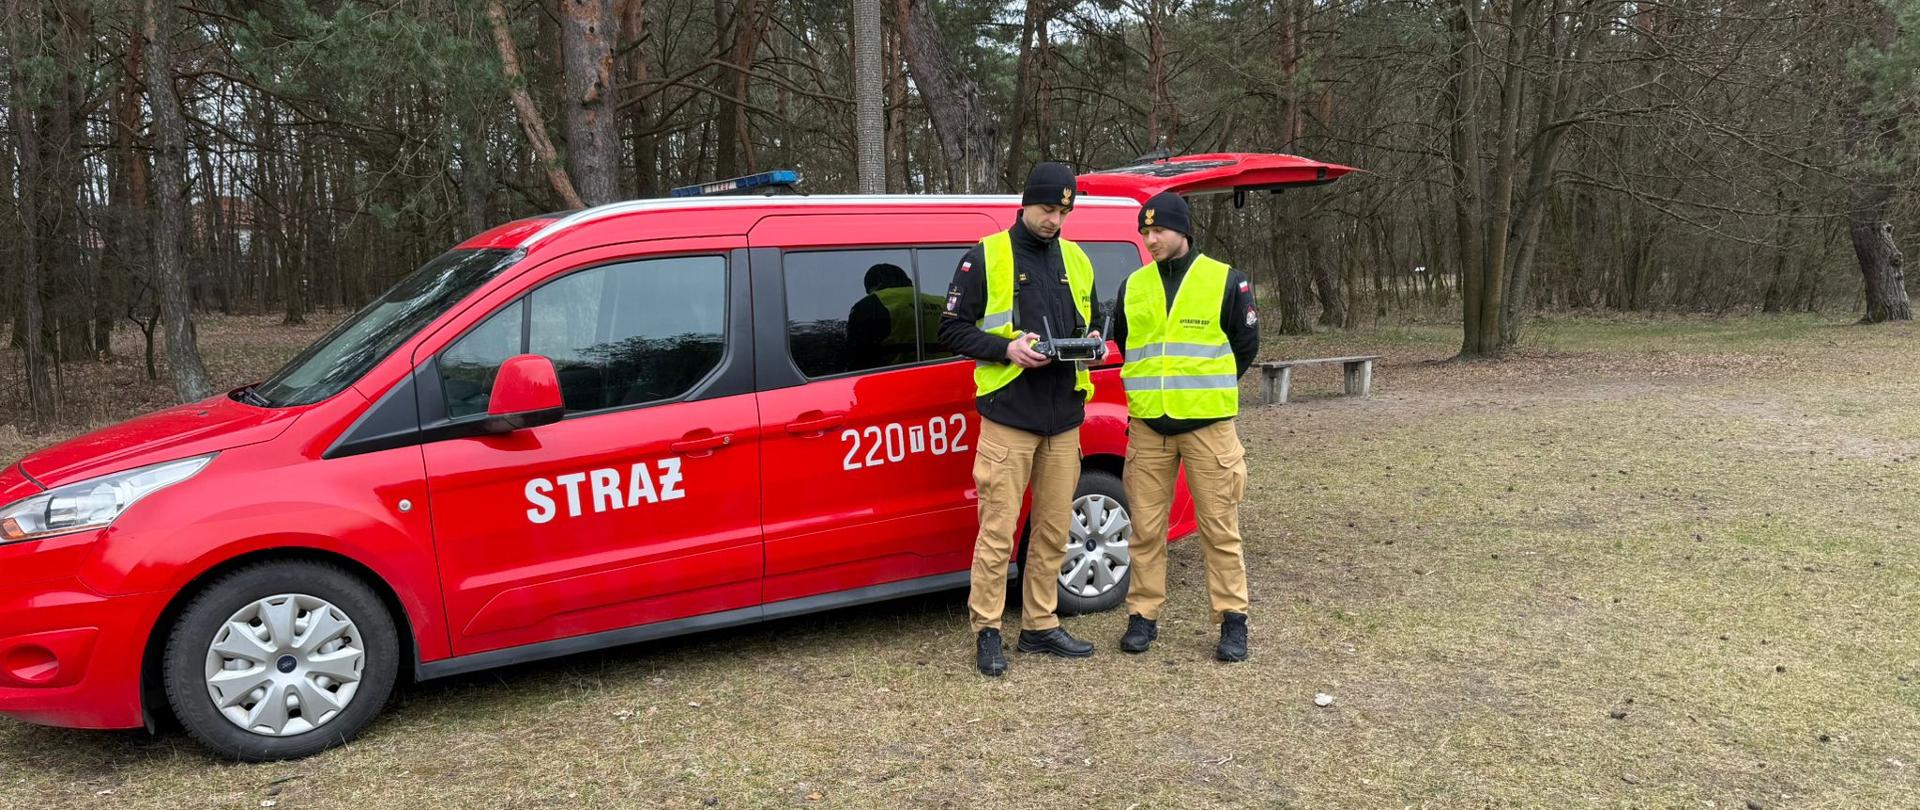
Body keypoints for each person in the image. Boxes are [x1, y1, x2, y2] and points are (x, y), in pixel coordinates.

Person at [938, 162, 1103, 676]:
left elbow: (1091, 321)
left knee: (1053, 530)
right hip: (1009, 418)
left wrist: (1093, 342)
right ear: (1026, 203)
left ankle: (1039, 625)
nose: (1055, 220)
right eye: (1048, 209)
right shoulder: (986, 255)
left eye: (1063, 211)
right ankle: (987, 630)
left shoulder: (1077, 258)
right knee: (997, 532)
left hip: (1063, 418)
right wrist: (1006, 348)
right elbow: (950, 330)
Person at [1109, 191, 1259, 662]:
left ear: (1183, 231)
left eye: (1159, 231)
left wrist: (1202, 392)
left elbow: (1245, 344)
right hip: (1149, 427)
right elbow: (1125, 343)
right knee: (1146, 529)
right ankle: (1143, 616)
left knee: (1219, 527)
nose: (1150, 239)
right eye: (1145, 232)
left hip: (1207, 428)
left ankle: (1232, 620)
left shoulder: (1223, 280)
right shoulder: (1134, 285)